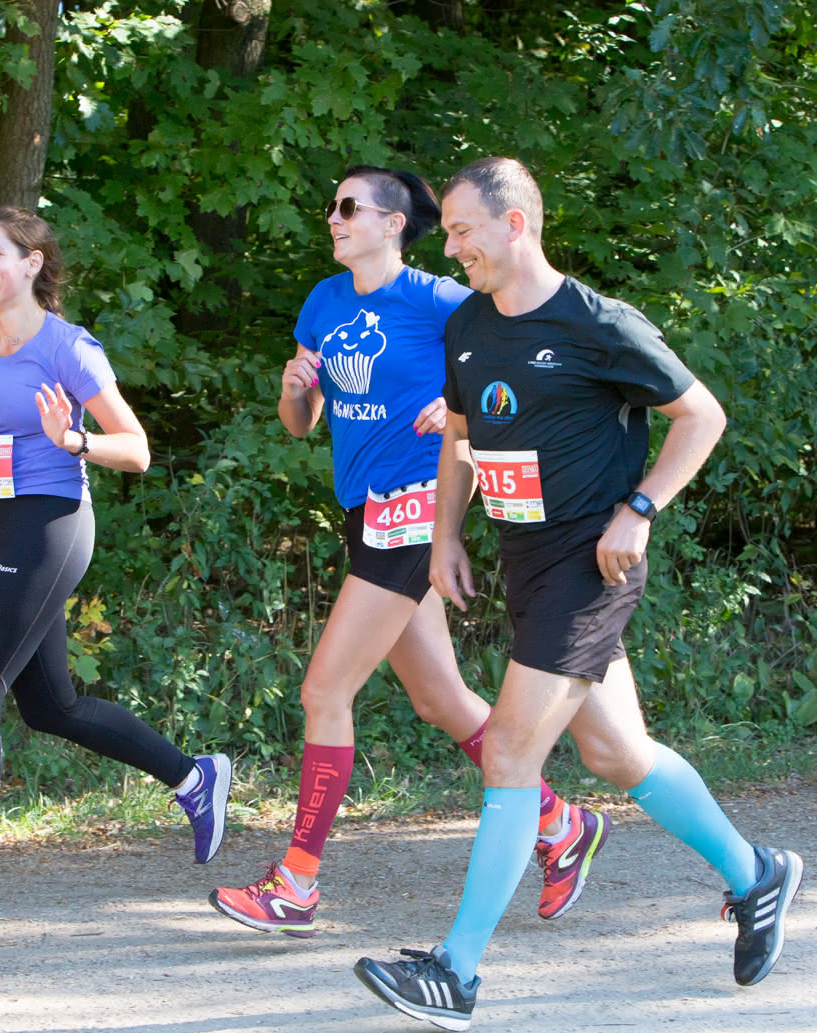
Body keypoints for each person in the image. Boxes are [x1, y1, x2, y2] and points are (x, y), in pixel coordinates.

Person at [353, 158, 803, 1030]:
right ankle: (757, 874)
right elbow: (458, 433)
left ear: (515, 224)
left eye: (461, 229)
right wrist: (445, 536)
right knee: (618, 755)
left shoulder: (599, 323)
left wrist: (640, 509)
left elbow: (700, 416)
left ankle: (458, 971)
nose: (451, 246)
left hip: (590, 567)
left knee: (510, 753)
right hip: (525, 562)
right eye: (445, 231)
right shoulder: (471, 326)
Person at [209, 167, 606, 939]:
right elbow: (301, 421)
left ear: (394, 223)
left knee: (324, 692)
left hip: (417, 509)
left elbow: (510, 337)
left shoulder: (435, 299)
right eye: (332, 204)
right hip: (366, 513)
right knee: (441, 700)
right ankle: (562, 826)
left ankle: (296, 884)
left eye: (349, 206)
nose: (334, 216)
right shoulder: (325, 303)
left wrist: (453, 405)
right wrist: (295, 389)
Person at [0, 206, 231, 919]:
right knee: (51, 706)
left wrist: (74, 440)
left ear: (31, 263)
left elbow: (138, 449)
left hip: (53, 523)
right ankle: (192, 776)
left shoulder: (68, 348)